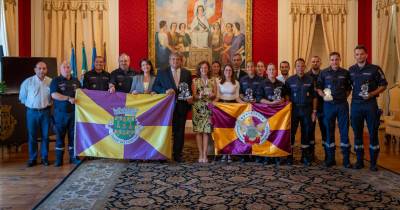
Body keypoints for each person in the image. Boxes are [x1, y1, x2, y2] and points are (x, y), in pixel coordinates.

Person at [349, 45, 387, 171]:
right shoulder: (351, 70)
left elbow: (383, 85)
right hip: (355, 105)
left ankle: (373, 163)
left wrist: (371, 94)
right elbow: (348, 87)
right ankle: (359, 161)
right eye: (357, 54)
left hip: (370, 104)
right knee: (357, 133)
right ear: (355, 56)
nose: (359, 56)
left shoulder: (375, 69)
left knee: (373, 133)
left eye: (361, 54)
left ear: (366, 55)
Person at [153, 52, 193, 162]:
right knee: (165, 131)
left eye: (178, 59)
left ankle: (178, 154)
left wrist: (190, 99)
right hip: (166, 108)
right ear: (169, 60)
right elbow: (155, 87)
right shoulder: (162, 72)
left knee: (179, 132)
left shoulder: (187, 73)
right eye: (173, 59)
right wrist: (165, 91)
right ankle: (163, 154)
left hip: (181, 106)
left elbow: (188, 89)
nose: (175, 61)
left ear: (181, 61)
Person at [317, 52, 352, 168]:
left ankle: (346, 160)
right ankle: (330, 159)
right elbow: (319, 88)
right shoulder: (323, 73)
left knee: (344, 132)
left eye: (336, 59)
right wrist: (324, 96)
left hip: (342, 105)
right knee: (329, 131)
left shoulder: (345, 73)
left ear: (340, 60)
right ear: (329, 60)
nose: (334, 62)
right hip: (328, 106)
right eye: (332, 59)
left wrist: (342, 98)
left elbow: (348, 89)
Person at [19, 61, 52, 167]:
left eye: (44, 68)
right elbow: (22, 98)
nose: (42, 70)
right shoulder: (27, 82)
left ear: (46, 70)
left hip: (46, 112)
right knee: (32, 136)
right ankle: (32, 158)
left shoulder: (51, 82)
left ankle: (44, 158)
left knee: (45, 136)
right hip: (32, 113)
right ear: (35, 69)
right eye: (39, 68)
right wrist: (32, 105)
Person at [285, 58, 317, 166]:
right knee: (291, 133)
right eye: (298, 66)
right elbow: (286, 96)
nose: (300, 68)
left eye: (302, 66)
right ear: (295, 67)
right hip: (294, 110)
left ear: (305, 67)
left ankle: (305, 156)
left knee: (306, 132)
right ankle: (290, 156)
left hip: (307, 110)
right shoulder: (289, 80)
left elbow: (314, 97)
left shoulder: (310, 80)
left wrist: (314, 111)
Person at [50, 61, 81, 167]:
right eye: (64, 67)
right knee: (60, 137)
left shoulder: (76, 80)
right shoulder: (55, 80)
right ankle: (59, 160)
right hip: (60, 115)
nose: (67, 69)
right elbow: (54, 95)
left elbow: (81, 94)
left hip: (74, 114)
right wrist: (68, 98)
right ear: (60, 69)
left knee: (73, 137)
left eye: (68, 67)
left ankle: (73, 158)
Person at [214, 64, 243, 163]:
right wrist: (212, 104)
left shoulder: (236, 83)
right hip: (222, 108)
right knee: (222, 132)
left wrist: (246, 104)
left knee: (231, 132)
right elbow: (217, 96)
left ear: (232, 72)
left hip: (233, 108)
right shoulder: (218, 82)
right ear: (224, 71)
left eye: (230, 70)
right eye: (226, 70)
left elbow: (237, 98)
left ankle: (230, 153)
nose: (228, 72)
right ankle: (223, 153)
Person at [260, 63, 286, 165]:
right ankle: (267, 156)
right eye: (269, 70)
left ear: (276, 71)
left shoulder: (281, 84)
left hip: (278, 114)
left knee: (277, 134)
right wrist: (270, 103)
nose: (271, 71)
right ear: (266, 72)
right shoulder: (262, 84)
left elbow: (285, 97)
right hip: (266, 113)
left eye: (273, 69)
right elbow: (259, 98)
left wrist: (281, 101)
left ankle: (277, 155)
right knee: (266, 134)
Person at [192, 61, 216, 163]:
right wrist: (199, 96)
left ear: (208, 69)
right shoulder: (195, 81)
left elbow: (215, 94)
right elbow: (193, 96)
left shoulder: (212, 80)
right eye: (202, 68)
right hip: (198, 107)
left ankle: (205, 154)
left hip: (208, 108)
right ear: (199, 69)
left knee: (206, 132)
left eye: (205, 68)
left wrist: (212, 95)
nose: (204, 70)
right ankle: (200, 153)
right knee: (198, 132)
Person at [305, 56, 326, 162]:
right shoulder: (306, 76)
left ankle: (327, 155)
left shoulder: (325, 74)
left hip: (323, 107)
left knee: (324, 129)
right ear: (310, 63)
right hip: (310, 108)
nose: (315, 63)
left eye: (317, 61)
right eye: (313, 61)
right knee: (310, 130)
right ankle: (311, 154)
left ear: (320, 63)